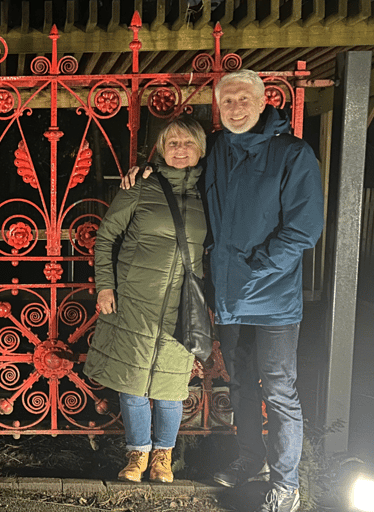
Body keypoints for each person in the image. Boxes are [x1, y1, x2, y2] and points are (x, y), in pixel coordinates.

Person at [123, 69, 324, 512]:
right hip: (229, 299)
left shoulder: (292, 154)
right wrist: (145, 169)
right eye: (227, 101)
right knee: (240, 387)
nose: (235, 108)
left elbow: (304, 229)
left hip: (272, 301)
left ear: (262, 100)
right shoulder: (216, 149)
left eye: (242, 99)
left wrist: (255, 270)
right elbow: (179, 162)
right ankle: (250, 458)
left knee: (279, 388)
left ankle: (286, 482)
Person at [84, 116, 208, 484]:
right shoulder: (141, 186)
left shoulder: (212, 192)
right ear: (160, 149)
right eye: (172, 143)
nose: (180, 149)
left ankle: (163, 459)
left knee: (171, 387)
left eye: (187, 143)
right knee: (133, 382)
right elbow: (106, 238)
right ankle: (137, 454)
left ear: (200, 149)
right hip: (136, 300)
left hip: (182, 307)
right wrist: (105, 285)